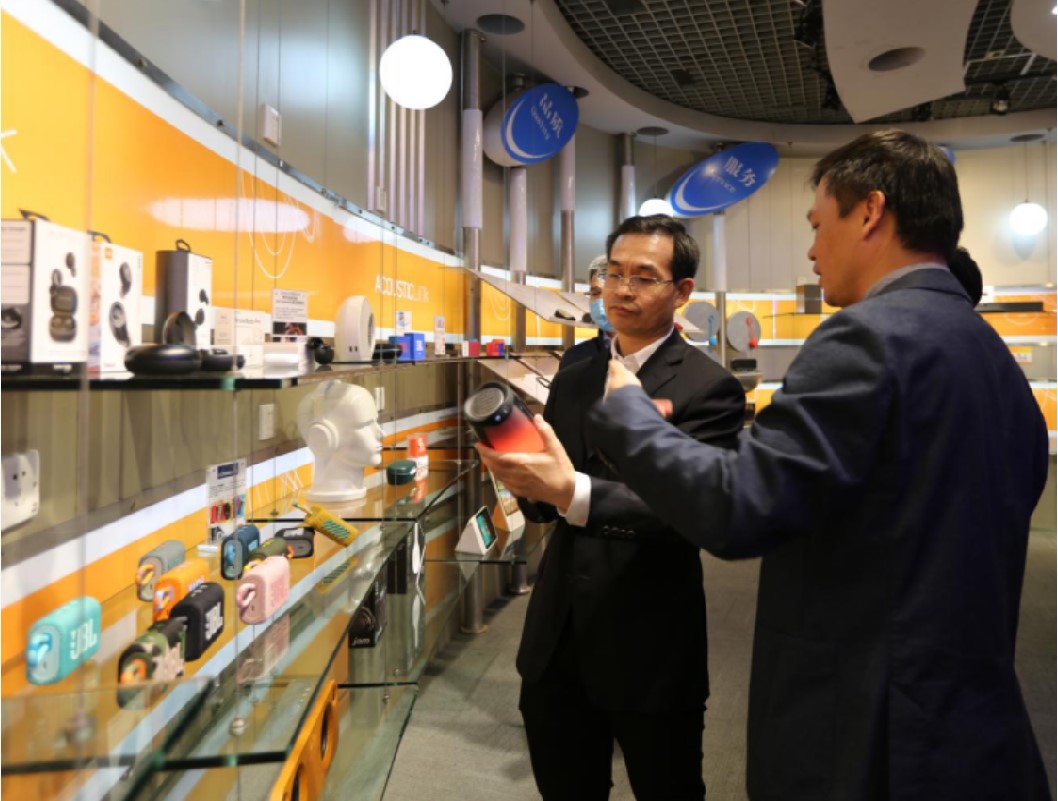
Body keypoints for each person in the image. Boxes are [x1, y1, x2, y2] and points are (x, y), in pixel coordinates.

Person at [580, 131, 1049, 800]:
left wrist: (630, 416)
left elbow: (741, 506)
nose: (810, 249)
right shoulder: (988, 352)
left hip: (867, 733)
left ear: (870, 212)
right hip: (967, 727)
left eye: (817, 223)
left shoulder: (868, 336)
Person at [479, 215, 746, 800]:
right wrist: (523, 477)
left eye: (643, 277)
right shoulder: (575, 372)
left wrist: (568, 492)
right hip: (558, 637)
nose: (622, 289)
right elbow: (547, 502)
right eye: (613, 273)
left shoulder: (710, 388)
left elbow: (690, 512)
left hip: (651, 638)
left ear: (682, 291)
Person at [560, 254, 613, 369]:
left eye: (610, 293)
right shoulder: (575, 358)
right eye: (595, 293)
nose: (600, 301)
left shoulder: (650, 357)